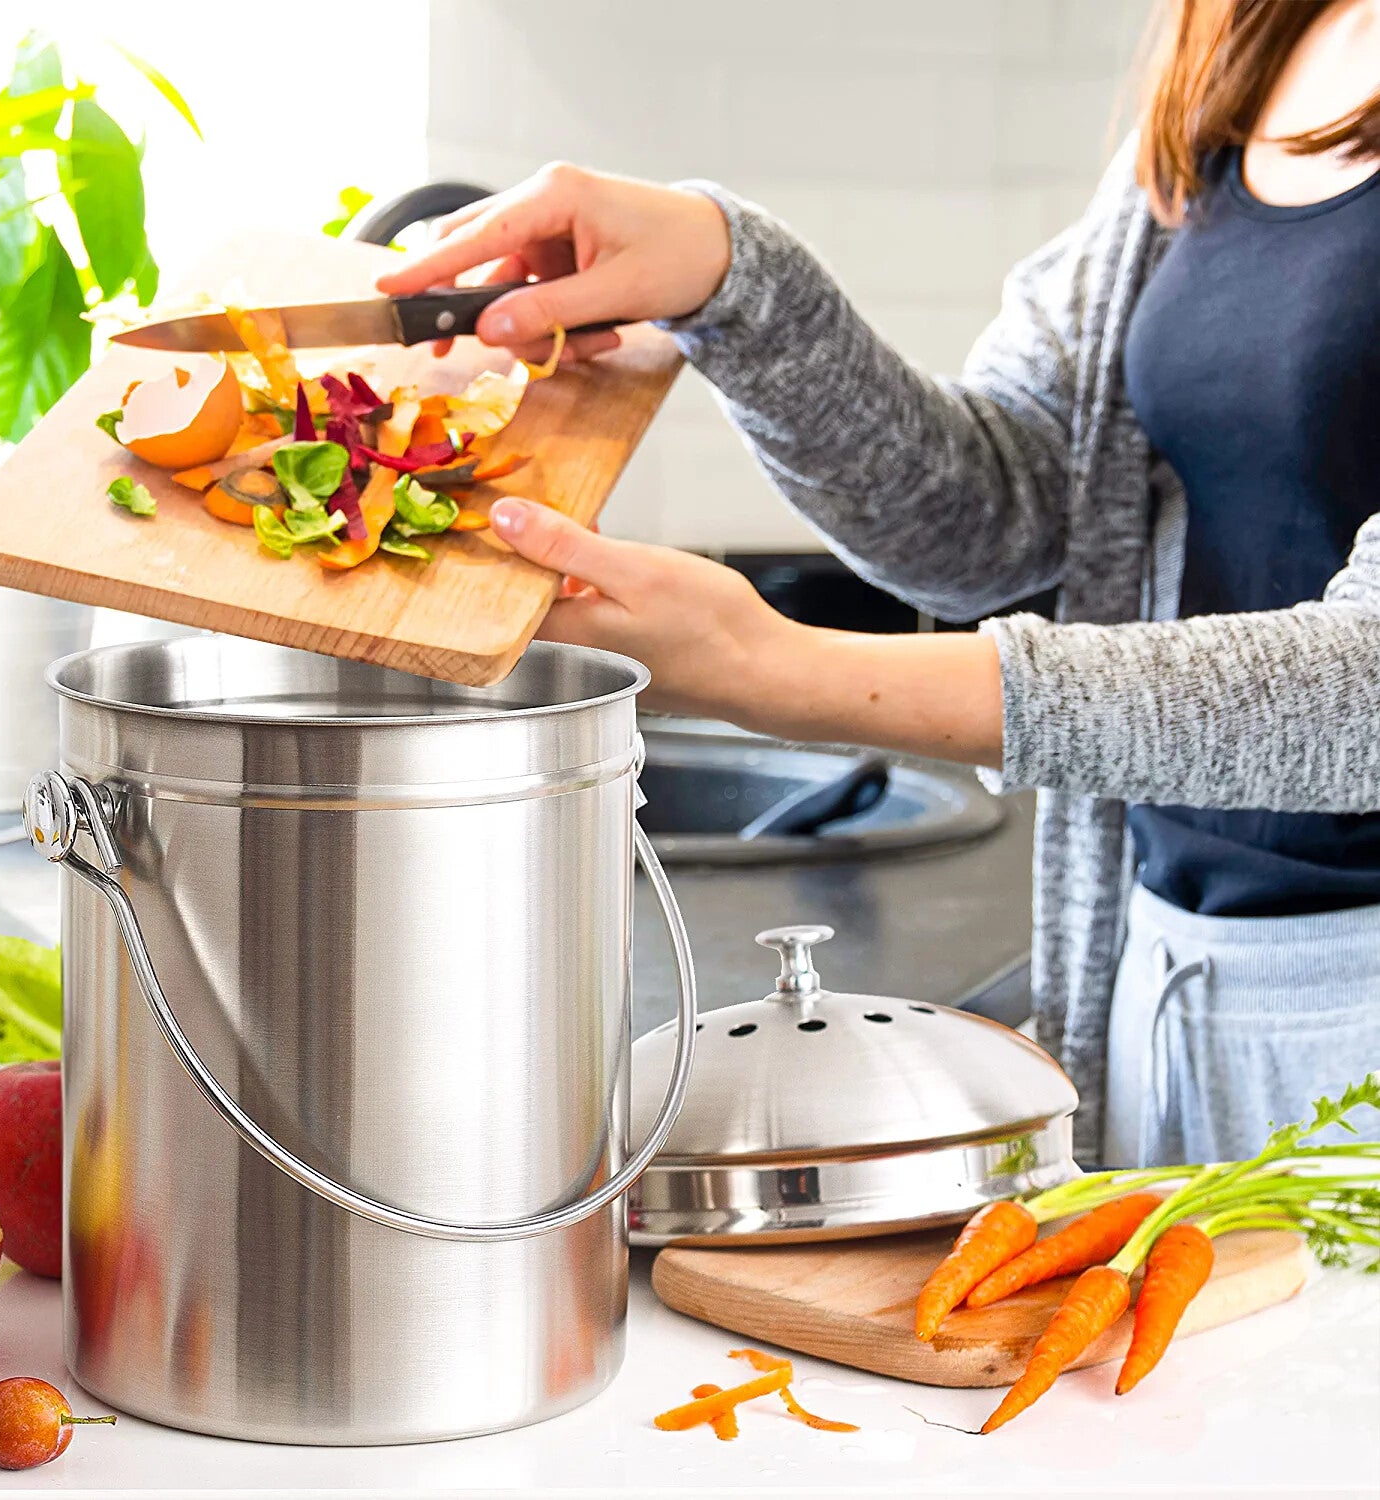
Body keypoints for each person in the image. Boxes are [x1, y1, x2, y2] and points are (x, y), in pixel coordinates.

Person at [377, 0, 1380, 1168]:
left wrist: (782, 670)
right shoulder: (1245, 42)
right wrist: (729, 280)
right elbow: (996, 516)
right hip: (1163, 967)